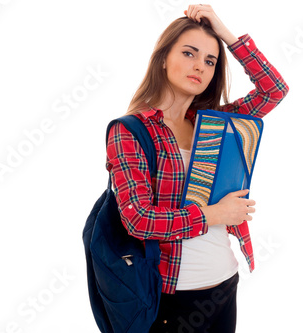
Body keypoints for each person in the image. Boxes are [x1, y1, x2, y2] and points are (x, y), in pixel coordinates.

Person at [105, 4, 289, 332]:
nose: (200, 66)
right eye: (189, 53)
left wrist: (225, 34)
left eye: (209, 60)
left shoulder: (214, 125)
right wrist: (216, 215)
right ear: (163, 59)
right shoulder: (130, 130)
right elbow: (139, 220)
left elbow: (273, 90)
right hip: (172, 298)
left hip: (224, 282)